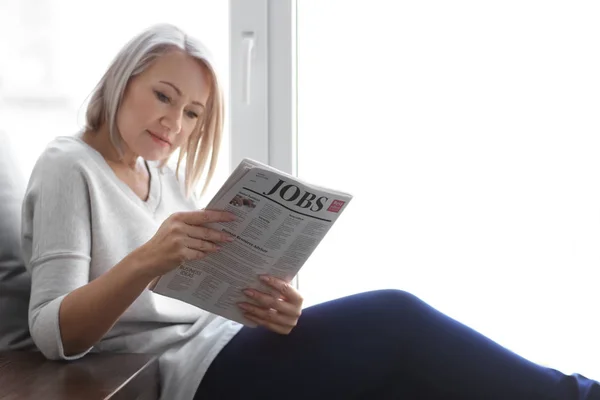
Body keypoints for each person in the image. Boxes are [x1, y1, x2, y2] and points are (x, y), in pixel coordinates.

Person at [20, 23, 600, 400]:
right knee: (396, 319)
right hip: (188, 374)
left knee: (405, 375)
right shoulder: (70, 167)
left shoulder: (161, 176)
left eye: (194, 113)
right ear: (123, 81)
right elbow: (52, 332)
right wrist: (148, 259)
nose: (175, 124)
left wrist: (271, 303)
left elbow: (201, 291)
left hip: (226, 340)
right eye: (163, 96)